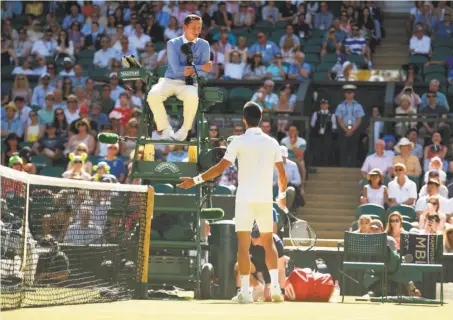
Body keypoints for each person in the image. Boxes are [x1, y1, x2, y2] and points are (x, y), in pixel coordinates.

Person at [177, 101, 288, 303]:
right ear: (261, 118)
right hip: (265, 199)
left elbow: (219, 169)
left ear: (244, 120)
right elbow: (282, 174)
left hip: (244, 199)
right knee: (268, 242)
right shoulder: (272, 142)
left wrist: (194, 180)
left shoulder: (237, 141)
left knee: (243, 247)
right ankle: (277, 288)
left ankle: (245, 293)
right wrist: (282, 196)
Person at [147, 14, 212, 141]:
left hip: (189, 84)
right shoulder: (172, 43)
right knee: (152, 95)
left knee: (193, 96)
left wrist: (196, 70)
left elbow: (206, 73)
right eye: (193, 27)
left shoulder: (204, 44)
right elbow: (176, 69)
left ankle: (184, 131)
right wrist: (199, 68)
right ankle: (166, 129)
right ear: (185, 27)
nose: (197, 31)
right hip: (169, 81)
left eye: (199, 27)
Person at [233, 223, 286, 302]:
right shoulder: (250, 241)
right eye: (252, 236)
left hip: (270, 269)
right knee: (238, 266)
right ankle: (256, 288)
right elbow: (242, 257)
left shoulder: (276, 242)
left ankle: (271, 289)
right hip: (256, 264)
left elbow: (281, 269)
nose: (253, 239)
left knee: (268, 298)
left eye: (256, 238)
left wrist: (283, 291)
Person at [335, 84, 365, 167]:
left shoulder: (358, 106)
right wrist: (346, 129)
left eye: (351, 93)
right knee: (343, 148)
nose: (349, 94)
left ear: (353, 94)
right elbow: (339, 119)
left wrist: (352, 129)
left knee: (354, 148)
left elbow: (359, 119)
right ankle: (343, 166)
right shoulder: (340, 106)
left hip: (355, 129)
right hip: (343, 129)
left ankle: (352, 166)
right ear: (345, 94)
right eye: (347, 93)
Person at [310, 99, 337, 166]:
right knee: (317, 149)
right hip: (318, 135)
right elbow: (312, 124)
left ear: (328, 105)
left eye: (325, 104)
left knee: (327, 149)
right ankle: (317, 164)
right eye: (322, 104)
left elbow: (334, 126)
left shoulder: (331, 115)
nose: (324, 106)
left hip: (327, 134)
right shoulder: (316, 113)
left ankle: (327, 164)